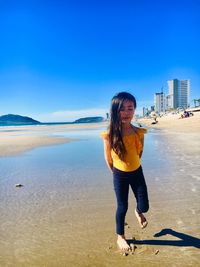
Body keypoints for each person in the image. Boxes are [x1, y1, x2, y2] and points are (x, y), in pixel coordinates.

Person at [101, 92, 149, 252]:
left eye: (130, 108)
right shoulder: (109, 135)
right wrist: (117, 173)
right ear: (115, 111)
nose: (126, 113)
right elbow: (108, 159)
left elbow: (139, 152)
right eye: (122, 109)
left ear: (135, 109)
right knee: (122, 206)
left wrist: (133, 166)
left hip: (137, 172)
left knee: (145, 206)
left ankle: (138, 211)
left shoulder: (138, 132)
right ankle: (120, 236)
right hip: (119, 174)